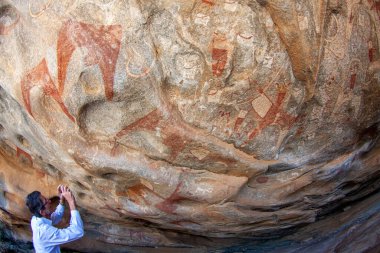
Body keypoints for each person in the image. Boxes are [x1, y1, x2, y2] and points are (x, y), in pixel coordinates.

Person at [26, 185, 84, 253]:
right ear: (42, 212)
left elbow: (54, 217)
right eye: (46, 202)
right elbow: (78, 231)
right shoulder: (44, 231)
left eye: (46, 198)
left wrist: (62, 201)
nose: (49, 201)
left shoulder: (36, 219)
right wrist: (71, 202)